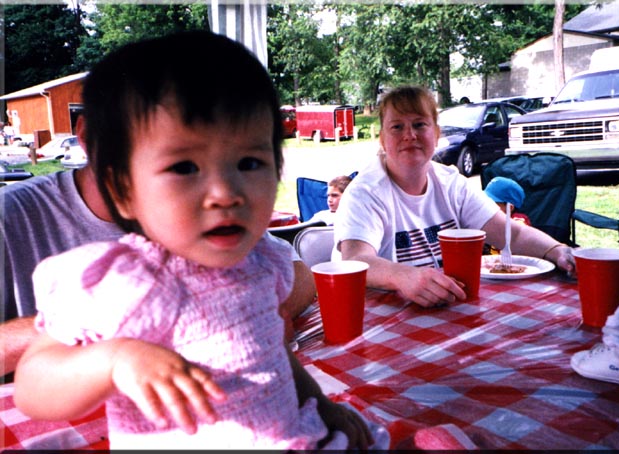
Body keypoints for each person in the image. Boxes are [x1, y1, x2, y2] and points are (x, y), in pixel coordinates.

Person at [14, 32, 376, 450]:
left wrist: (321, 406)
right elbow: (32, 385)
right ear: (123, 189)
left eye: (249, 162)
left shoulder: (258, 261)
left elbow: (273, 356)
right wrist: (114, 360)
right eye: (185, 166)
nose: (225, 192)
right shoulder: (128, 282)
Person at [1, 143, 315, 382]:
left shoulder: (208, 211)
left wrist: (252, 312)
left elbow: (297, 273)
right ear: (89, 137)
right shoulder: (11, 217)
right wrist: (115, 333)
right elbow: (34, 392)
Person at [334, 85, 576, 308]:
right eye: (397, 127)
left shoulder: (451, 183)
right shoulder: (365, 193)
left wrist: (556, 250)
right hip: (381, 317)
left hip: (446, 308)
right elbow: (355, 259)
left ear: (436, 133)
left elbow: (511, 232)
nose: (409, 135)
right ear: (383, 140)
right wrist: (402, 276)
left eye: (419, 124)